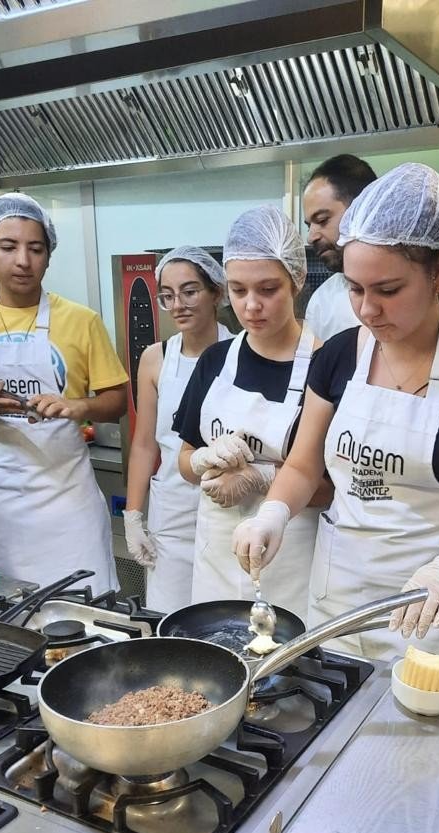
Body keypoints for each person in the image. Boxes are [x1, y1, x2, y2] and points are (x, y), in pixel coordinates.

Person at [233, 164, 439, 667]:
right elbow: (304, 465)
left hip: (433, 616)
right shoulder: (339, 356)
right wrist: (274, 513)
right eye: (355, 289)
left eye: (388, 290)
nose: (367, 309)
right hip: (339, 606)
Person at [0, 193, 128, 591]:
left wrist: (77, 406)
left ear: (48, 255)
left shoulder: (81, 320)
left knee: (86, 610)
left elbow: (118, 402)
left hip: (67, 499)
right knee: (7, 615)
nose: (23, 260)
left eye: (35, 248)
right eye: (8, 247)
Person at [175, 206, 329, 621]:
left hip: (291, 556)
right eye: (239, 291)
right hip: (216, 554)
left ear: (297, 281)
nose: (251, 306)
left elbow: (337, 488)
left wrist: (263, 478)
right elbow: (184, 461)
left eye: (267, 289)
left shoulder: (326, 366)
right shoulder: (215, 361)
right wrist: (204, 459)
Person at [123, 247, 233, 614]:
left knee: (221, 620)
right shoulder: (157, 358)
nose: (178, 305)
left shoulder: (242, 351)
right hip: (171, 515)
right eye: (167, 296)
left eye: (190, 291)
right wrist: (134, 515)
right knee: (169, 621)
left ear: (216, 292)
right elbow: (144, 445)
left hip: (228, 509)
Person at [303, 153, 439, 341]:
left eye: (322, 219)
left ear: (364, 207)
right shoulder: (322, 302)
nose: (311, 236)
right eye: (356, 289)